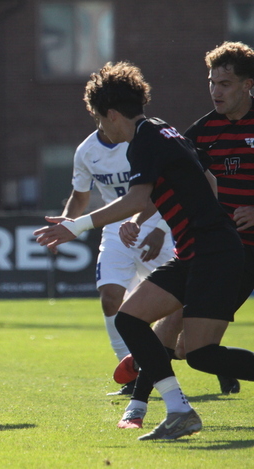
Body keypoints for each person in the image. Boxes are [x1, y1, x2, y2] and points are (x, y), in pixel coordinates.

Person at [35, 61, 254, 441]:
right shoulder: (162, 131)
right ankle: (178, 410)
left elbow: (135, 197)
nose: (101, 129)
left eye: (100, 121)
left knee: (199, 353)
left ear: (114, 114)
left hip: (213, 254)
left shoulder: (144, 141)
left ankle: (171, 409)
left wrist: (77, 226)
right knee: (130, 319)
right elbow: (201, 179)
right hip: (199, 251)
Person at [115, 42, 254, 428]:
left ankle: (143, 403)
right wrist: (141, 219)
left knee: (194, 346)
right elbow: (174, 182)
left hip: (228, 251)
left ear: (248, 85)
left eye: (226, 83)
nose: (216, 91)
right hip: (221, 249)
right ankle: (141, 404)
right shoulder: (202, 132)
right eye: (212, 82)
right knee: (183, 336)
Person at [58, 120, 173, 397]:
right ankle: (130, 374)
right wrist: (65, 224)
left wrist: (160, 229)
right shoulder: (86, 150)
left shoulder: (143, 140)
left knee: (180, 305)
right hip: (115, 229)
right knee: (110, 296)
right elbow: (80, 194)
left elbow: (171, 187)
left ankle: (214, 359)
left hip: (159, 222)